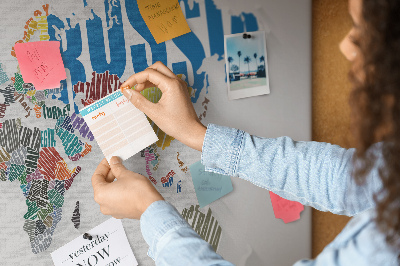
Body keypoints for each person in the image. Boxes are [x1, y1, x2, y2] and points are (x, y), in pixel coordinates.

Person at [90, 0, 400, 264]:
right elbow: (343, 178)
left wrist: (149, 212)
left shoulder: (384, 248)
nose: (346, 47)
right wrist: (195, 133)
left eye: (364, 31)